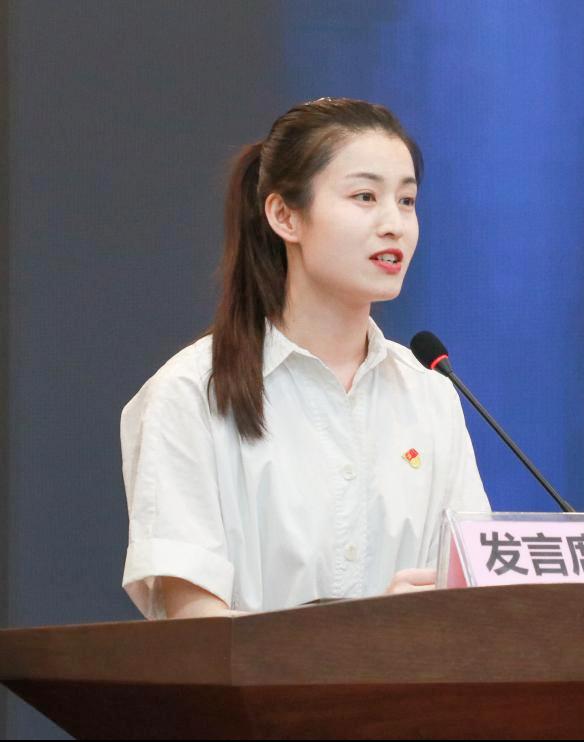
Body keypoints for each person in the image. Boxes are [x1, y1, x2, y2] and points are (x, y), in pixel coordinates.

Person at [120, 97, 491, 620]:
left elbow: (473, 599)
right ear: (285, 215)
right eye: (365, 196)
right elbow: (195, 628)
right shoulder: (190, 393)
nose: (395, 224)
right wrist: (368, 638)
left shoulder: (429, 393)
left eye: (407, 201)